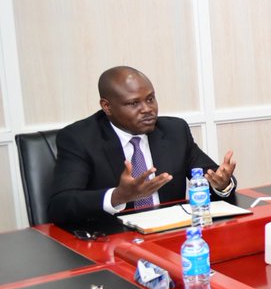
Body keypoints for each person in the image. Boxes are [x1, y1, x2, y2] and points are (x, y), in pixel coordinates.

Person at [48, 66, 237, 233]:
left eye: (150, 99)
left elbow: (211, 175)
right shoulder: (79, 138)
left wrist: (221, 184)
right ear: (107, 106)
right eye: (133, 103)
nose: (147, 109)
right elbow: (60, 205)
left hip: (172, 235)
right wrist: (117, 196)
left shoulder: (174, 131)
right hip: (115, 240)